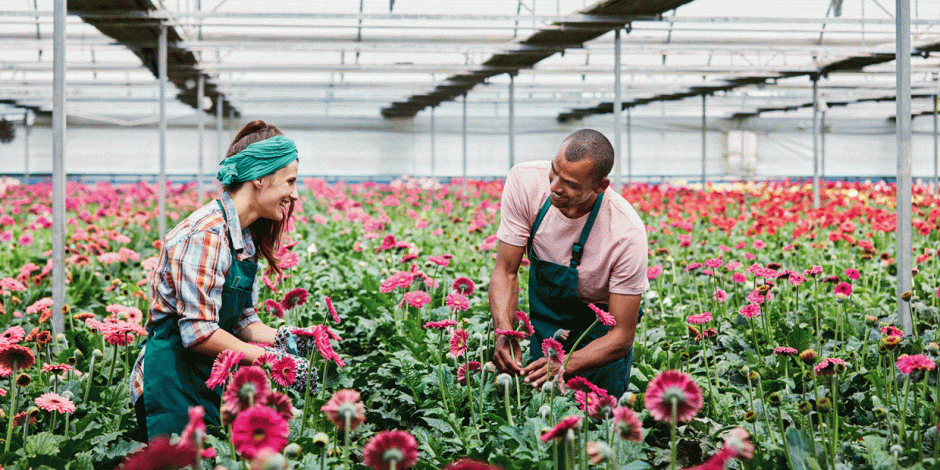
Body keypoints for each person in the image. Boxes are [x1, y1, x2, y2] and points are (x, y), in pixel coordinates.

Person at [129, 120, 318, 440]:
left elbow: (242, 317)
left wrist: (287, 339)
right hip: (170, 381)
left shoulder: (242, 236)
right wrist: (274, 360)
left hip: (206, 376)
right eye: (290, 181)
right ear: (260, 177)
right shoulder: (206, 234)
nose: (294, 194)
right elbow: (199, 333)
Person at [489, 129, 648, 398]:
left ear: (600, 186)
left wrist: (565, 364)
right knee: (541, 418)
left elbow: (621, 335)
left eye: (571, 184)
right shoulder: (526, 182)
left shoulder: (625, 232)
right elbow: (505, 271)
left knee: (595, 431)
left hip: (600, 339)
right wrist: (504, 330)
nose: (554, 187)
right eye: (554, 172)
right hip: (547, 330)